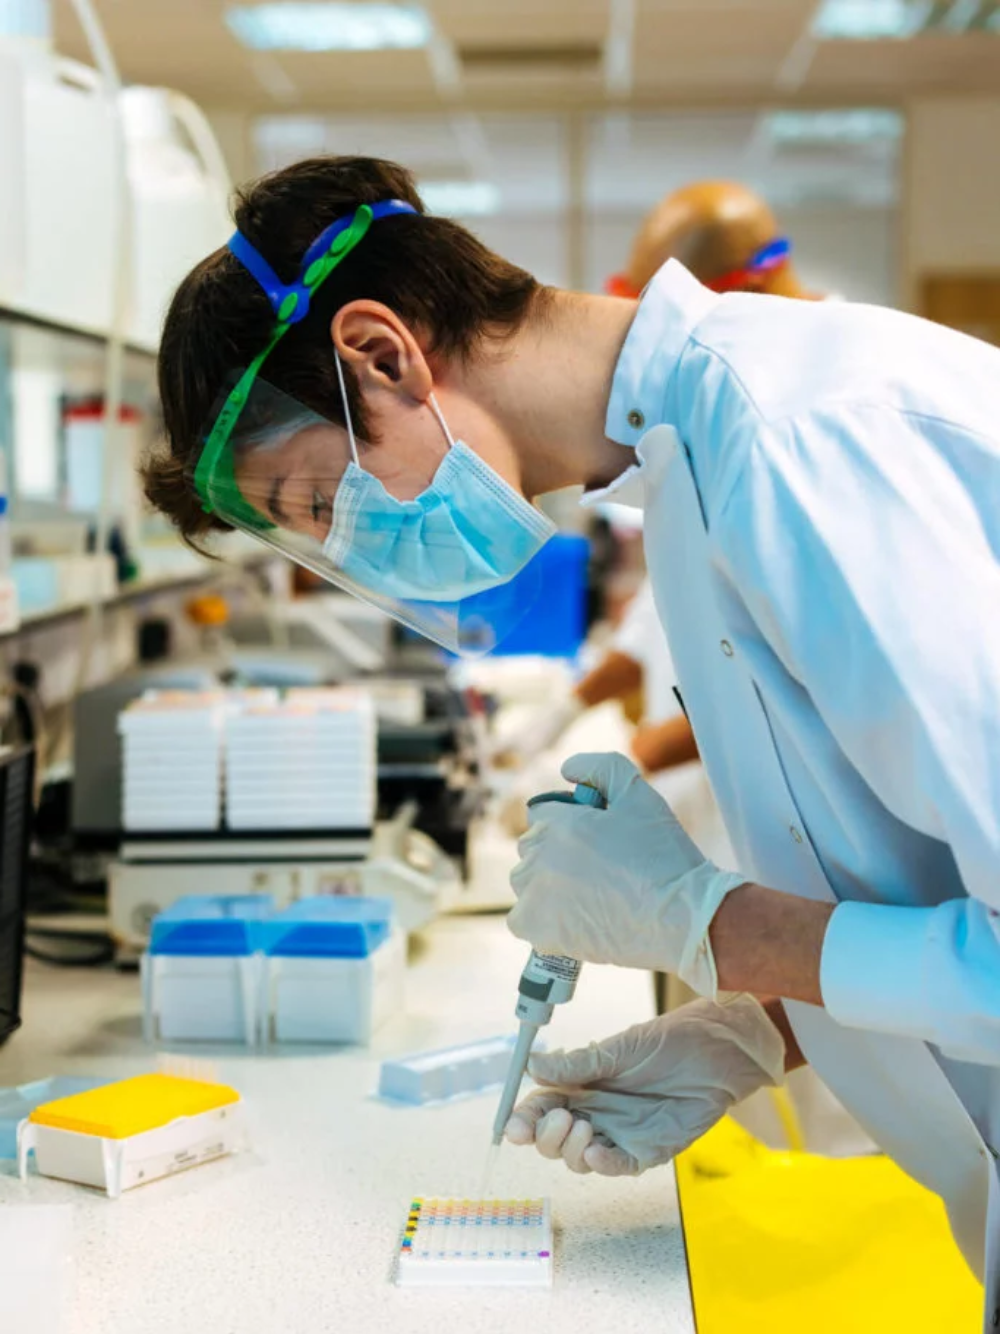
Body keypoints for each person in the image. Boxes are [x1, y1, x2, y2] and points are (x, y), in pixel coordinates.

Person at [144, 155, 1000, 1322]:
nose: (348, 554)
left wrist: (720, 927)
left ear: (381, 353)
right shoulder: (690, 473)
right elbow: (930, 879)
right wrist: (759, 1032)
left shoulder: (796, 443)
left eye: (314, 502)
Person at [501, 181, 813, 789]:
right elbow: (660, 617)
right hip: (724, 803)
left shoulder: (800, 419)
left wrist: (636, 764)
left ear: (740, 293)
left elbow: (798, 681)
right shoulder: (706, 411)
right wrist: (564, 709)